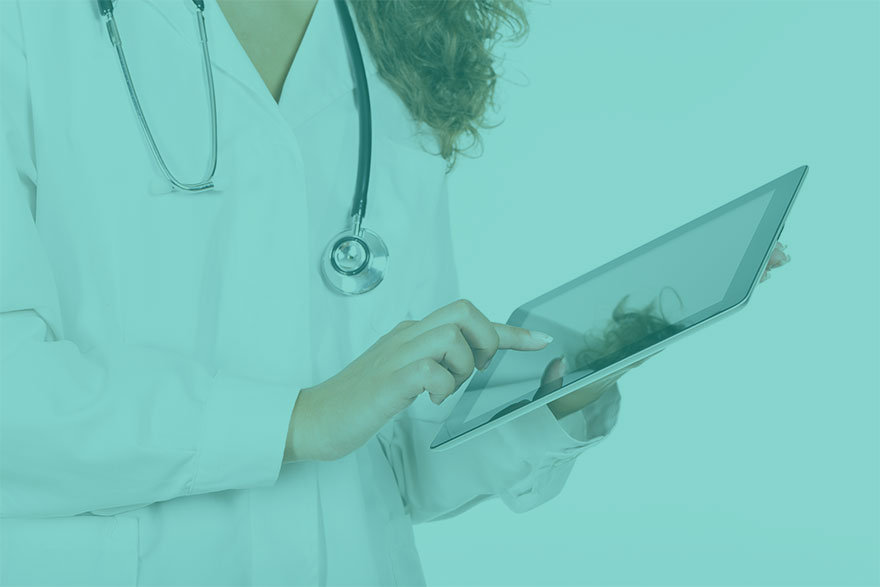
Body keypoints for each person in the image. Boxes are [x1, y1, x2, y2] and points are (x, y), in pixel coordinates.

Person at [0, 0, 791, 585]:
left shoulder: (392, 39)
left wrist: (561, 388)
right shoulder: (33, 26)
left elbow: (396, 450)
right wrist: (295, 419)